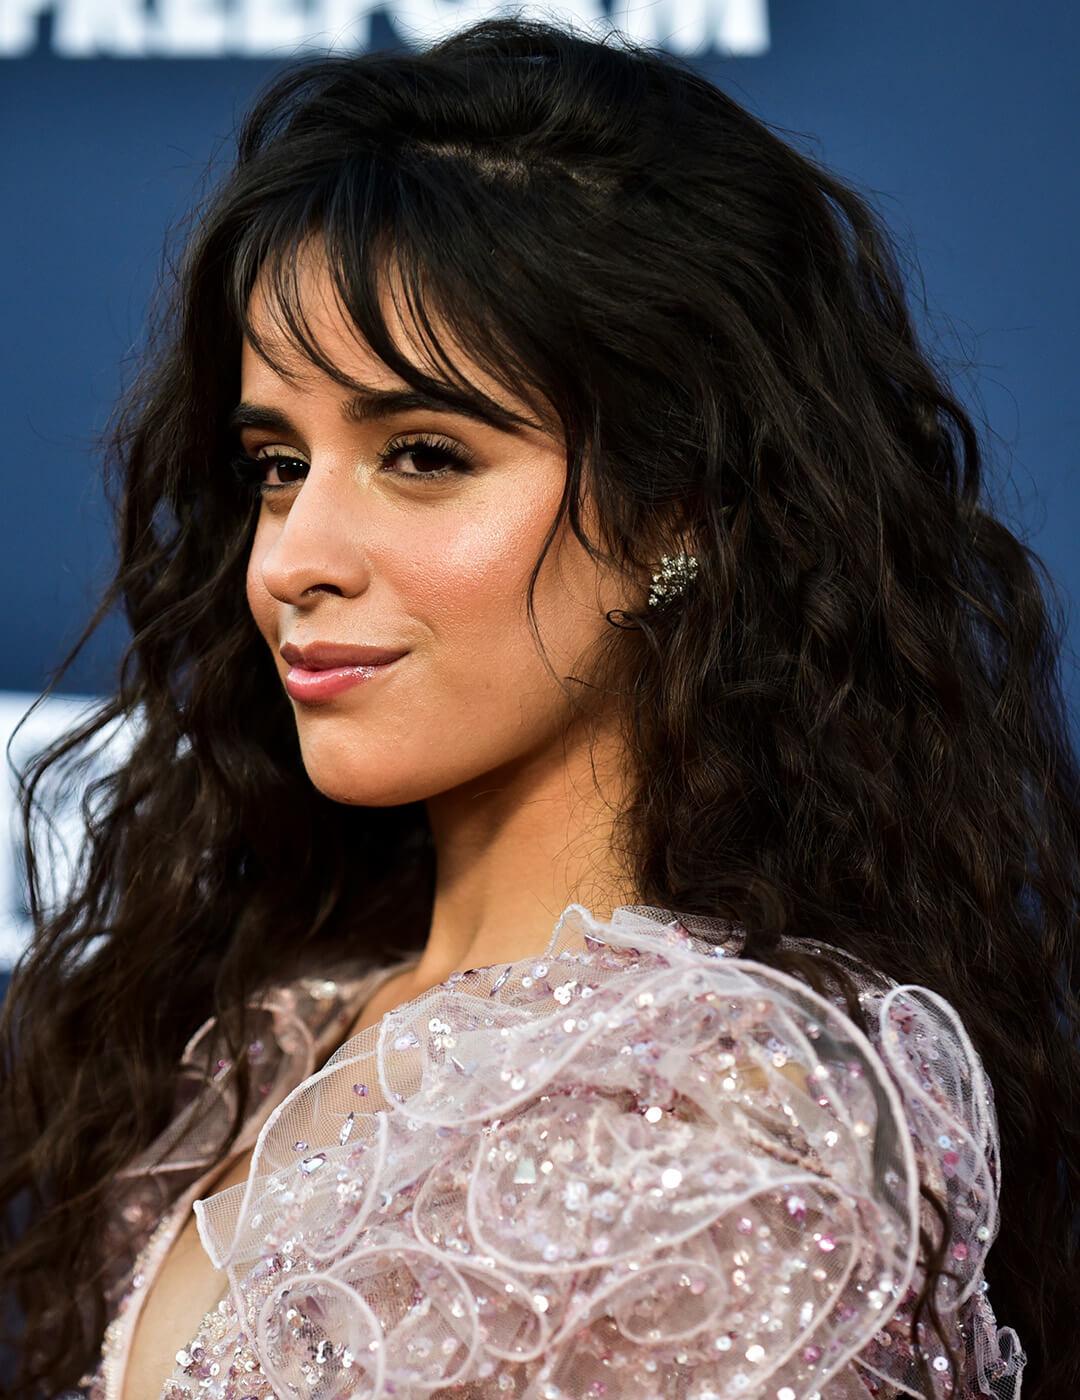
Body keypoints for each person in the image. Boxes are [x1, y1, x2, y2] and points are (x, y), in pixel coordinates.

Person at [0, 14, 1075, 1398]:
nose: (290, 560)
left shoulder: (724, 1110)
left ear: (676, 520)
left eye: (425, 454)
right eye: (276, 463)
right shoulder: (270, 1035)